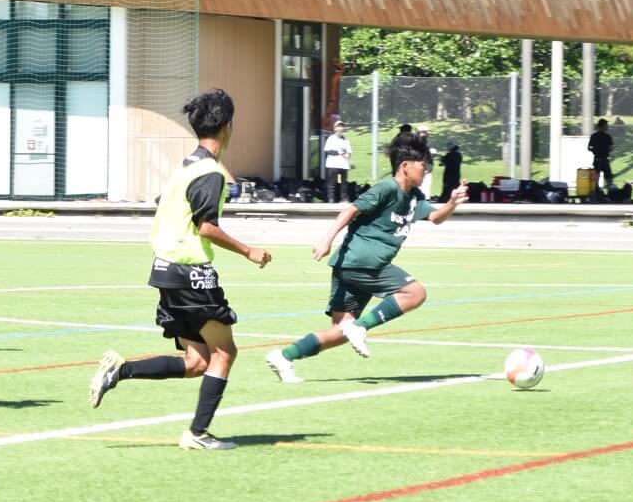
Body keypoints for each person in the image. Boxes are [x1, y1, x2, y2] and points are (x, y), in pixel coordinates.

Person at [87, 89, 272, 451]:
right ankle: (198, 434)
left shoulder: (186, 165)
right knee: (224, 353)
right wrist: (249, 250)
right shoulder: (211, 172)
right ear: (228, 126)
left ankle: (120, 370)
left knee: (198, 361)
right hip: (191, 274)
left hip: (166, 271)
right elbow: (206, 227)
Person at [265, 131, 468, 380]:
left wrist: (452, 203)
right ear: (405, 166)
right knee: (415, 293)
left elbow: (435, 217)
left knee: (340, 331)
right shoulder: (386, 188)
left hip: (348, 267)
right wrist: (326, 239)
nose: (426, 170)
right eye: (423, 165)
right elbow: (350, 210)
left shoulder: (414, 198)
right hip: (363, 262)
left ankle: (284, 356)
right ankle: (360, 328)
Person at [321, 117, 352, 203]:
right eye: (338, 126)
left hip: (343, 166)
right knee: (332, 182)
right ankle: (331, 198)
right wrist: (338, 152)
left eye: (342, 126)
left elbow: (349, 152)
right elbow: (327, 150)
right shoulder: (331, 139)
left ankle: (343, 198)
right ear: (335, 128)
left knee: (342, 183)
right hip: (333, 165)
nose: (340, 128)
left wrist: (347, 155)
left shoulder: (346, 140)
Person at [588, 118, 615, 192]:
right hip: (605, 159)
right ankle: (610, 191)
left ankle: (596, 191)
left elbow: (589, 147)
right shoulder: (607, 136)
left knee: (596, 175)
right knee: (608, 176)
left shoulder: (594, 136)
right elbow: (611, 148)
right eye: (606, 125)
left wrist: (595, 151)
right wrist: (606, 150)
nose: (607, 127)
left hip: (597, 159)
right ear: (602, 126)